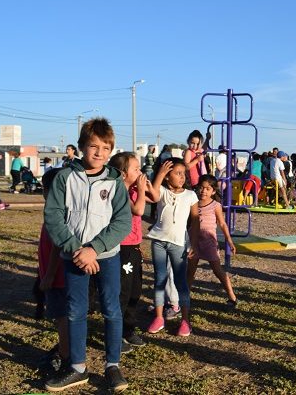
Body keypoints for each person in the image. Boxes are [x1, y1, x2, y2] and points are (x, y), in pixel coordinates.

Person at [44, 118, 131, 392]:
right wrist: (76, 249)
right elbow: (54, 217)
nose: (99, 153)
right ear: (82, 146)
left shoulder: (115, 181)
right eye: (94, 146)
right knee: (75, 310)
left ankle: (112, 366)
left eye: (106, 148)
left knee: (111, 309)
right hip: (74, 257)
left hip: (106, 256)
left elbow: (122, 221)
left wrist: (95, 249)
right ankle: (77, 368)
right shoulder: (65, 178)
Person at [145, 158, 198, 337]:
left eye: (184, 173)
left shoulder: (191, 195)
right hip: (158, 241)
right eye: (177, 173)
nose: (182, 177)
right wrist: (159, 174)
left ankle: (185, 320)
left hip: (178, 243)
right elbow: (152, 195)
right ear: (167, 177)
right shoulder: (161, 191)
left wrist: (193, 242)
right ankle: (159, 317)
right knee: (160, 279)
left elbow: (195, 221)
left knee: (180, 281)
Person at [108, 152, 152, 351]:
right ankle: (115, 335)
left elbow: (155, 197)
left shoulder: (134, 189)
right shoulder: (119, 191)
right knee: (123, 292)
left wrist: (146, 186)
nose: (140, 172)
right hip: (121, 247)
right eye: (136, 169)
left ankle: (128, 329)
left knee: (135, 289)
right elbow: (139, 210)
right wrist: (141, 190)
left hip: (133, 247)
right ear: (123, 174)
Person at [186, 174, 238, 307]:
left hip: (209, 242)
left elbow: (222, 224)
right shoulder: (193, 202)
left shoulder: (216, 205)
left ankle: (232, 297)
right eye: (202, 188)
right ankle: (184, 297)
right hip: (194, 241)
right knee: (190, 270)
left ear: (213, 191)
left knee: (217, 270)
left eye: (208, 189)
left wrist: (229, 241)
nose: (204, 191)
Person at [37, 168, 68, 373]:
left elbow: (58, 246)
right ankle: (65, 350)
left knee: (62, 318)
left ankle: (66, 358)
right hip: (54, 276)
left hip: (58, 278)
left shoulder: (57, 215)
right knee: (61, 318)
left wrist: (48, 275)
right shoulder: (53, 211)